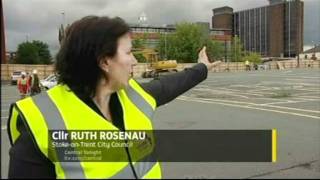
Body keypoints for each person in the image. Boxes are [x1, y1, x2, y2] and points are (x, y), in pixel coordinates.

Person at [7, 16, 221, 179]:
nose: (135, 61)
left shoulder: (133, 96)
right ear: (104, 62)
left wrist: (202, 68)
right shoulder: (41, 122)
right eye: (128, 53)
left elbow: (168, 86)